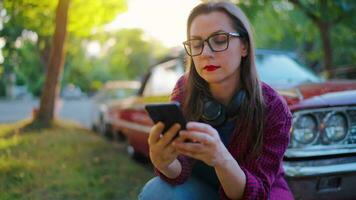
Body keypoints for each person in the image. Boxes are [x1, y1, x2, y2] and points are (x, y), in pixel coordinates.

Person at [139, 1, 293, 200]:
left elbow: (255, 193)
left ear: (244, 46)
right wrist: (163, 162)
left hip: (258, 194)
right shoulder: (184, 90)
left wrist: (221, 158)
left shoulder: (273, 108)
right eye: (196, 44)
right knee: (156, 191)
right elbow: (180, 169)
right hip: (204, 187)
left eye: (219, 40)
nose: (205, 53)